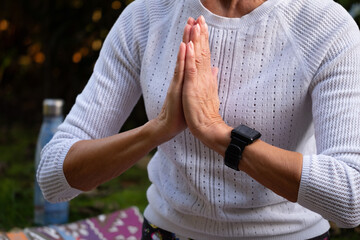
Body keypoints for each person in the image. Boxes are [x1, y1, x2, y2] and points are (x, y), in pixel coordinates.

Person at [37, 0, 360, 239]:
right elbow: (54, 176)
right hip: (166, 232)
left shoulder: (326, 25)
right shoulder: (146, 16)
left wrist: (217, 133)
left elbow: (350, 197)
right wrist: (158, 130)